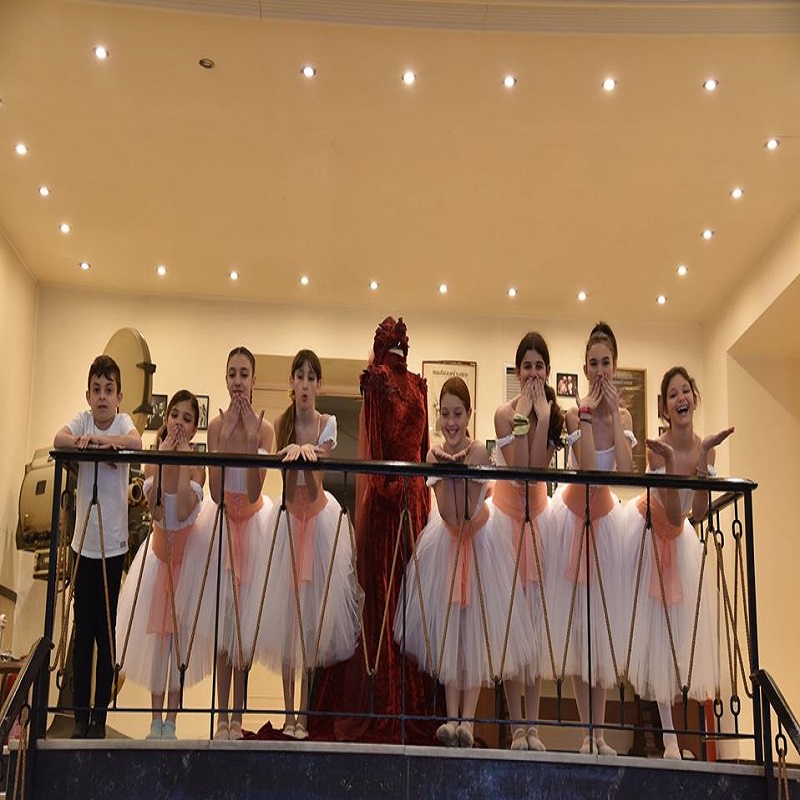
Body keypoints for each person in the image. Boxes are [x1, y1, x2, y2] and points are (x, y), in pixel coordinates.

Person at [311, 316, 437, 744]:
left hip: (415, 500)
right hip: (388, 502)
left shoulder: (420, 385)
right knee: (384, 595)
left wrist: (417, 487)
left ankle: (415, 699)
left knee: (413, 595)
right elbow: (376, 448)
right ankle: (383, 697)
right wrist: (387, 489)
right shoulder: (377, 380)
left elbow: (422, 447)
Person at [394, 378, 535, 747]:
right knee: (450, 632)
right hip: (448, 541)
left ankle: (467, 720)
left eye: (458, 413)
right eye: (445, 414)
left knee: (475, 632)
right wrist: (446, 469)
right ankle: (450, 717)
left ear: (469, 415)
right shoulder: (433, 456)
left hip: (480, 541)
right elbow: (447, 513)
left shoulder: (478, 453)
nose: (451, 422)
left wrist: (463, 469)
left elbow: (470, 511)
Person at [252, 350, 360, 741]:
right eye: (299, 376)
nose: (305, 384)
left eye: (311, 378)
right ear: (291, 382)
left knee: (310, 624)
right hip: (287, 523)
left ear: (319, 385)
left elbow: (315, 488)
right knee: (287, 625)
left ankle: (304, 713)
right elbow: (281, 488)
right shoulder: (281, 423)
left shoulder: (327, 423)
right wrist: (290, 455)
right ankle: (287, 714)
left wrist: (308, 457)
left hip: (317, 521)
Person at [623, 367, 729, 759]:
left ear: (694, 399)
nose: (680, 398)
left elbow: (697, 513)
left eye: (685, 391)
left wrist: (701, 459)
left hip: (679, 537)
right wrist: (669, 463)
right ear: (665, 408)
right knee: (657, 635)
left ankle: (675, 739)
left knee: (679, 639)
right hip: (650, 531)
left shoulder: (706, 448)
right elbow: (670, 512)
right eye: (672, 394)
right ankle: (668, 740)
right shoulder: (658, 449)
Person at [547, 322, 634, 755]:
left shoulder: (624, 416)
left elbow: (625, 470)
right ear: (584, 369)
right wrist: (585, 413)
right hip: (572, 520)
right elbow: (584, 466)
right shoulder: (572, 413)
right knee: (578, 633)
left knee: (600, 634)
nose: (600, 371)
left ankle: (601, 735)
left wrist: (614, 417)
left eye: (606, 363)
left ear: (614, 367)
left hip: (606, 524)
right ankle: (587, 734)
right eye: (593, 364)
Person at [54, 354, 142, 739]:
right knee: (83, 632)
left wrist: (103, 444)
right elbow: (59, 439)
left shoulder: (122, 423)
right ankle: (79, 716)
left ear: (119, 396)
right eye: (97, 390)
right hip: (83, 544)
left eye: (109, 390)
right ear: (88, 395)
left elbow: (135, 442)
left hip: (112, 545)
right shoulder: (82, 420)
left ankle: (100, 718)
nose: (103, 396)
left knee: (107, 634)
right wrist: (85, 441)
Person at [115, 390, 206, 740]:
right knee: (157, 644)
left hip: (186, 564)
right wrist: (164, 460)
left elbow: (181, 510)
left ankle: (172, 721)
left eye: (187, 418)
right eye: (175, 415)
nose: (179, 423)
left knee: (177, 646)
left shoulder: (198, 467)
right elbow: (154, 509)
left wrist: (180, 461)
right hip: (158, 559)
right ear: (166, 419)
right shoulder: (153, 460)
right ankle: (155, 721)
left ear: (194, 429)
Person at [490, 332, 564, 751]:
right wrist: (524, 416)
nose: (533, 373)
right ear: (517, 372)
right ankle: (516, 726)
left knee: (535, 629)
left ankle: (533, 726)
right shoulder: (504, 414)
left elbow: (538, 470)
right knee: (510, 626)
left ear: (547, 371)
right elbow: (519, 470)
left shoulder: (553, 414)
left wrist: (543, 416)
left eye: (539, 366)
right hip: (506, 520)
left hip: (538, 521)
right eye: (527, 366)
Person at [206, 346, 274, 740]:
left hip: (251, 526)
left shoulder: (265, 429)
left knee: (242, 629)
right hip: (221, 525)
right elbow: (215, 493)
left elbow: (252, 492)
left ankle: (237, 715)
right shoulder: (215, 426)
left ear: (254, 380)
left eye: (244, 374)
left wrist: (248, 440)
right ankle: (220, 717)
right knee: (223, 627)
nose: (237, 382)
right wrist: (224, 439)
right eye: (232, 373)